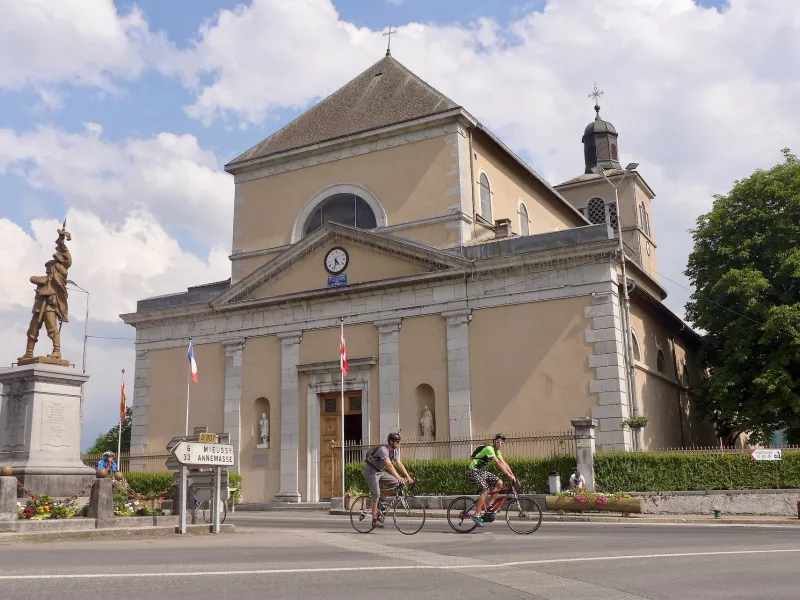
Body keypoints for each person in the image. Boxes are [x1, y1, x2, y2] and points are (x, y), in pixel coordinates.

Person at [363, 432, 413, 529]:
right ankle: (374, 519)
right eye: (397, 442)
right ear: (391, 442)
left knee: (396, 483)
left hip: (380, 471)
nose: (398, 444)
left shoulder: (396, 450)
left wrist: (408, 477)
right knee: (376, 494)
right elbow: (389, 465)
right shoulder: (383, 450)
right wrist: (400, 477)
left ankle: (380, 501)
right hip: (371, 471)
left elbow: (400, 464)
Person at [468, 433, 517, 527]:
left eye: (502, 443)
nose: (500, 444)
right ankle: (476, 515)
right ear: (494, 441)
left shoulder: (497, 451)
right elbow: (498, 463)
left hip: (481, 471)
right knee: (485, 490)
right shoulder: (489, 449)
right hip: (473, 471)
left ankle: (490, 505)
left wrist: (513, 476)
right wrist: (508, 475)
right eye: (498, 441)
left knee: (499, 482)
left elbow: (504, 463)